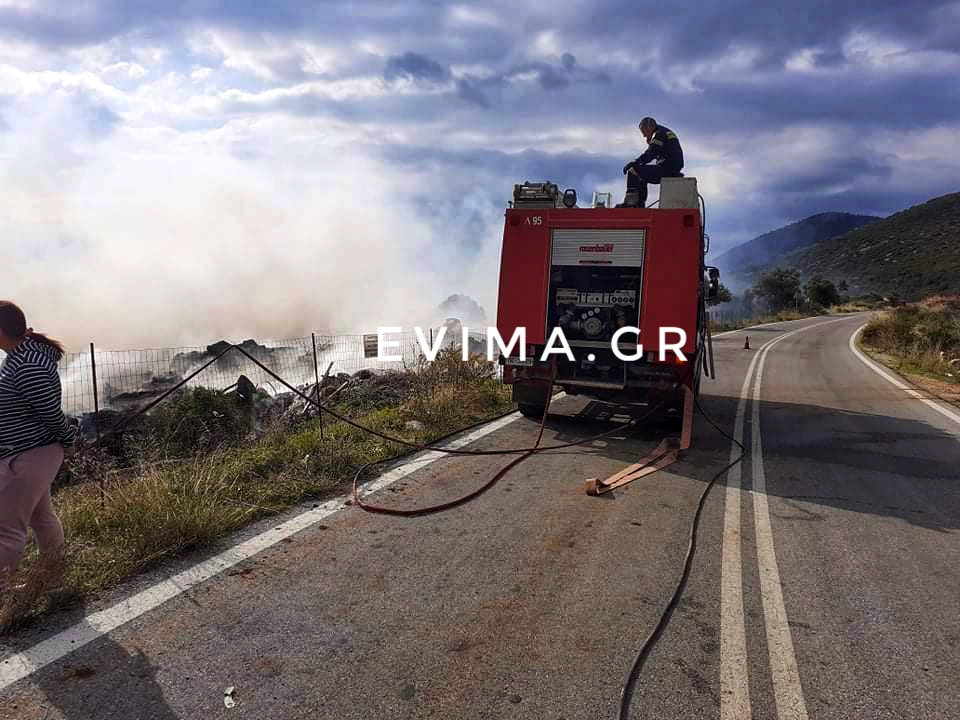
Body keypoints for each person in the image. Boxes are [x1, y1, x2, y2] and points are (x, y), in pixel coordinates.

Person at [0, 301, 76, 592]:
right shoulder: (18, 356)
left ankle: (3, 595)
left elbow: (49, 413)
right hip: (26, 453)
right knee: (41, 517)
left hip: (28, 455)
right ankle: (54, 579)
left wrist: (68, 440)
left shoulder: (28, 364)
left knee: (6, 527)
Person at [619, 117, 684, 208]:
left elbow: (651, 154)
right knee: (642, 176)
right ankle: (639, 203)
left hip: (666, 169)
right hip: (672, 169)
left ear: (649, 127)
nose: (644, 136)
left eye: (644, 132)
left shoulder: (659, 134)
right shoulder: (665, 132)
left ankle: (630, 203)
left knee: (633, 171)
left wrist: (635, 162)